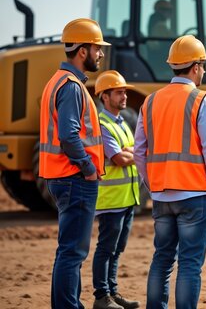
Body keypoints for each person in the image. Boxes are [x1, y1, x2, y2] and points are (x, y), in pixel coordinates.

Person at [133, 35, 206, 309]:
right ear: (195, 66)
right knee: (189, 264)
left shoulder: (149, 101)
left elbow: (139, 152)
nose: (204, 71)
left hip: (162, 196)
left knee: (161, 259)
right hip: (194, 195)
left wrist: (153, 185)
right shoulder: (201, 101)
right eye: (203, 66)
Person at [39, 18, 110, 308]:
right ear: (83, 51)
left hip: (62, 176)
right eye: (97, 48)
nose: (101, 54)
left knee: (68, 251)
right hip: (75, 178)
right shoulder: (71, 87)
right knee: (73, 252)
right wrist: (89, 169)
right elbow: (69, 135)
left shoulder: (58, 82)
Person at [91, 70, 141, 309]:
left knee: (117, 249)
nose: (124, 96)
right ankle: (101, 296)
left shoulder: (121, 123)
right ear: (105, 96)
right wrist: (133, 154)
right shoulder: (102, 124)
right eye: (119, 92)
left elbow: (128, 153)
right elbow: (120, 158)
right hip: (111, 199)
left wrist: (129, 153)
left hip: (127, 197)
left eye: (124, 92)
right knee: (106, 248)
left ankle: (112, 292)